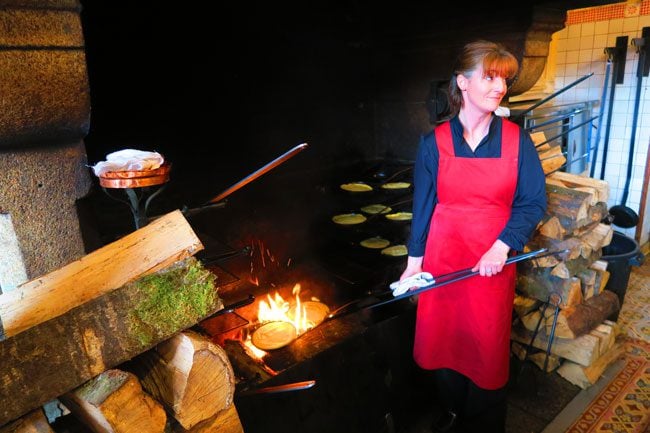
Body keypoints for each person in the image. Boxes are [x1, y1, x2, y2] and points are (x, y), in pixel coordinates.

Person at [401, 40, 547, 433]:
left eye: (505, 78)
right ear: (463, 83)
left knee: (485, 352)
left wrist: (502, 245)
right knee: (442, 346)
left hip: (490, 265)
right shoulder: (434, 142)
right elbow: (423, 207)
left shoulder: (518, 140)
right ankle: (451, 415)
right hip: (442, 262)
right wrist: (413, 265)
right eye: (490, 76)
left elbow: (533, 202)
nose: (500, 86)